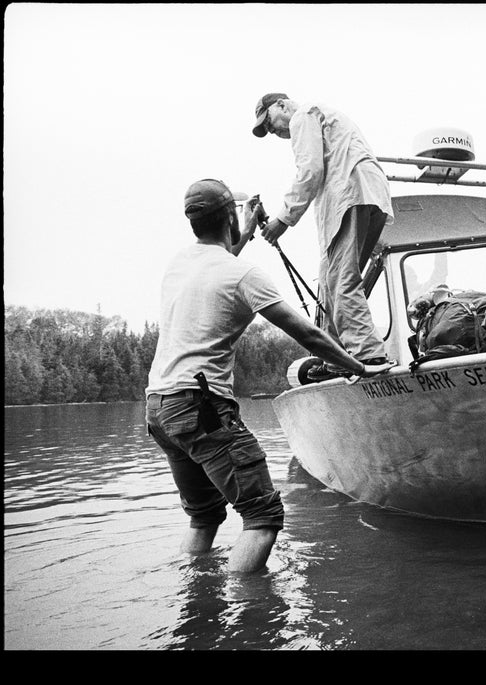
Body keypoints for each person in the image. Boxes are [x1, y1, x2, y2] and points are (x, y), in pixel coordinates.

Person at [145, 178, 391, 573]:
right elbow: (308, 335)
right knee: (262, 517)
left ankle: (194, 592)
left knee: (204, 518)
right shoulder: (244, 275)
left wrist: (244, 225)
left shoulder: (180, 264)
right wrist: (359, 366)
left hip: (159, 409)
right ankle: (245, 603)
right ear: (227, 218)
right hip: (201, 406)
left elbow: (223, 258)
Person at [251, 93, 395, 381]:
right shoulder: (322, 116)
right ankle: (335, 358)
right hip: (369, 194)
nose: (271, 130)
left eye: (268, 122)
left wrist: (283, 219)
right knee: (330, 280)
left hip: (350, 193)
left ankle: (368, 354)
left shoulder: (303, 116)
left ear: (281, 105)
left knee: (341, 280)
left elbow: (310, 170)